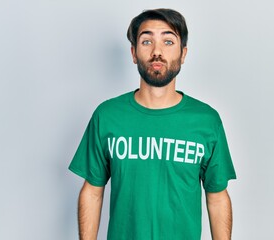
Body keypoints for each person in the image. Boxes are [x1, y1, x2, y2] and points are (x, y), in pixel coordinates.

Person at [69, 8, 237, 240]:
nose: (157, 51)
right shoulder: (107, 115)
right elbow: (93, 191)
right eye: (146, 41)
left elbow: (217, 196)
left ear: (183, 53)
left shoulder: (207, 120)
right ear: (134, 53)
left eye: (168, 41)